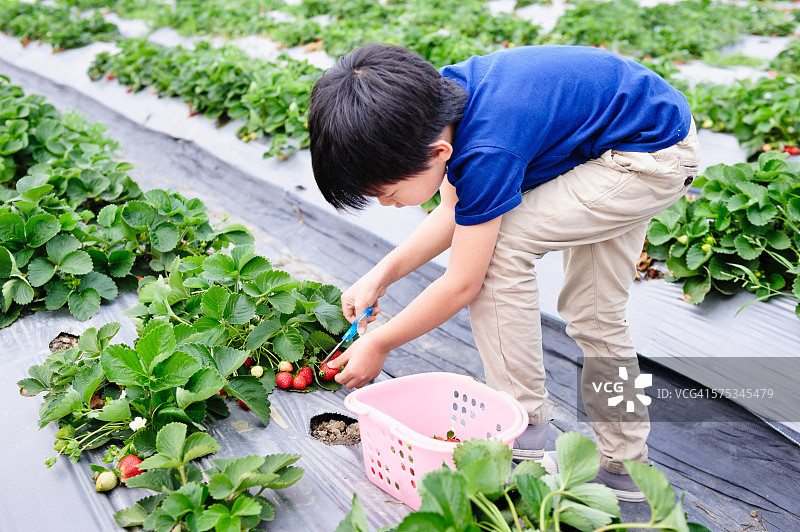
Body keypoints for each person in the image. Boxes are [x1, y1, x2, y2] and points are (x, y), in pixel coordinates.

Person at [308, 43, 699, 502]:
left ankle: (522, 435)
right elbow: (459, 208)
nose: (387, 205)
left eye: (389, 193)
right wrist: (382, 274)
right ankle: (624, 469)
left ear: (438, 152)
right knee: (597, 317)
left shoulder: (487, 144)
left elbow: (463, 283)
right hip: (633, 137)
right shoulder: (438, 103)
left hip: (647, 158)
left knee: (498, 253)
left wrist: (380, 341)